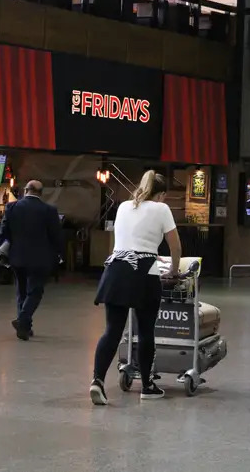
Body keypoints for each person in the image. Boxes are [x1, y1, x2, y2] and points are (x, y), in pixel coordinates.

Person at [89, 170, 182, 405]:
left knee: (112, 330)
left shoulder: (123, 206)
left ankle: (97, 381)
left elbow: (127, 240)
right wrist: (173, 270)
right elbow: (176, 247)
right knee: (146, 331)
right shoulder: (162, 209)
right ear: (160, 194)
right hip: (145, 272)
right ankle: (147, 386)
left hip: (117, 269)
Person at [0, 180, 63, 340]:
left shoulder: (11, 208)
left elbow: (3, 232)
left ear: (25, 190)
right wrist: (60, 254)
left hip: (17, 257)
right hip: (40, 258)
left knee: (21, 291)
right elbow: (56, 236)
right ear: (41, 193)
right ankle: (23, 321)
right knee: (35, 292)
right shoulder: (49, 210)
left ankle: (25, 328)